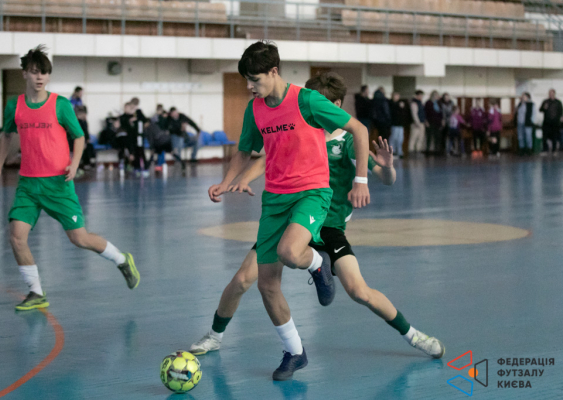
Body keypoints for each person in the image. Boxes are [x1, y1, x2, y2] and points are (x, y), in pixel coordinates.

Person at [190, 71, 445, 366]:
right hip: (292, 219)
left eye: (320, 104)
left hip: (329, 226)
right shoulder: (300, 131)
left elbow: (385, 178)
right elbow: (267, 158)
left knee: (359, 291)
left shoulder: (347, 142)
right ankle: (215, 335)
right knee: (242, 279)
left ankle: (413, 335)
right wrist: (242, 179)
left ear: (335, 106)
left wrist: (387, 168)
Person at [207, 41, 371, 381]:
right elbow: (245, 150)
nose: (250, 86)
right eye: (247, 80)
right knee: (267, 284)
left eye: (255, 79)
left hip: (311, 193)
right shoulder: (255, 109)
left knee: (289, 251)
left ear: (273, 71)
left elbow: (359, 129)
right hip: (275, 199)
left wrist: (361, 180)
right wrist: (225, 182)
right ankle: (295, 352)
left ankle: (317, 263)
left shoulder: (307, 100)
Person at [0, 45, 140, 311]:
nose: (40, 77)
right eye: (35, 72)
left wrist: (74, 164)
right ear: (25, 73)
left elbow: (79, 137)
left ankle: (121, 259)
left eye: (44, 72)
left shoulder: (60, 104)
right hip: (28, 183)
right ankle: (36, 292)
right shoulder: (15, 106)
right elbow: (6, 136)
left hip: (58, 183)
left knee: (79, 238)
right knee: (16, 237)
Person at [540, 89, 563, 154]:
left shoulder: (558, 102)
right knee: (544, 137)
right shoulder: (545, 101)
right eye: (550, 93)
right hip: (546, 122)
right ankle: (545, 150)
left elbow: (561, 111)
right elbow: (540, 110)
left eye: (552, 93)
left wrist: (561, 117)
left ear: (554, 94)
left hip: (555, 122)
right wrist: (544, 108)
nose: (551, 95)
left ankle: (554, 150)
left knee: (554, 137)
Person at [424, 90, 443, 155]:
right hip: (430, 122)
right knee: (429, 137)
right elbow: (425, 112)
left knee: (437, 137)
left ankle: (436, 151)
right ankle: (427, 150)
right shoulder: (428, 103)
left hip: (437, 123)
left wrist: (442, 120)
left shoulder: (439, 103)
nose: (436, 96)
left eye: (437, 95)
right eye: (435, 95)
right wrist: (426, 121)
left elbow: (441, 113)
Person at [389, 92, 407, 158]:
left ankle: (399, 151)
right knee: (394, 137)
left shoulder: (401, 104)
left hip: (400, 124)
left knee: (400, 139)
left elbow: (403, 113)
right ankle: (392, 151)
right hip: (394, 124)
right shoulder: (391, 104)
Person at [409, 90, 426, 155]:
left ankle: (418, 150)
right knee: (414, 137)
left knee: (420, 138)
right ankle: (411, 150)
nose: (421, 97)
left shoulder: (421, 103)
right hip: (416, 124)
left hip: (422, 123)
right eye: (420, 95)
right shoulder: (414, 103)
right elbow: (414, 114)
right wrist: (417, 122)